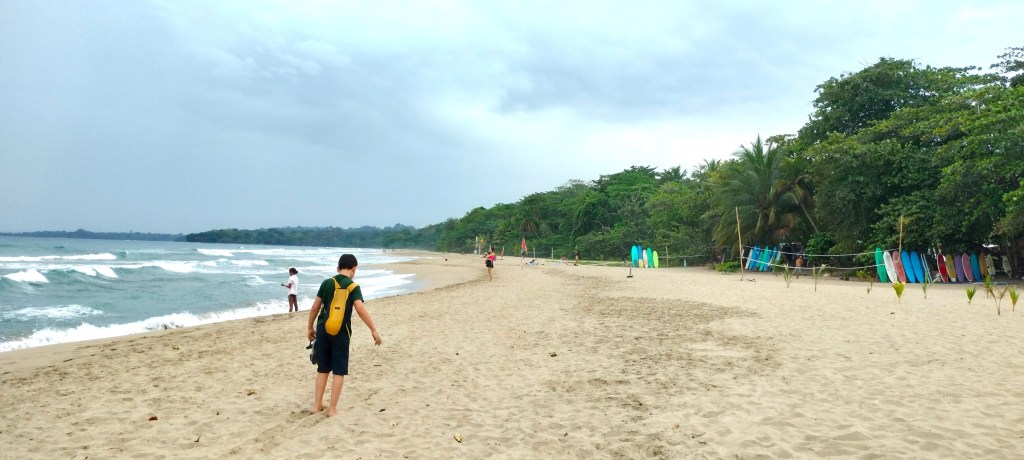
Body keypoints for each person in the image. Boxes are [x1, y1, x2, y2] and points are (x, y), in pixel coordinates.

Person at [306, 254, 382, 417]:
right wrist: (373, 330)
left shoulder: (326, 283)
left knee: (323, 368)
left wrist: (309, 328)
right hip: (341, 332)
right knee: (339, 370)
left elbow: (314, 308)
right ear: (354, 269)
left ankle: (317, 405)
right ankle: (332, 409)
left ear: (338, 268)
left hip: (323, 329)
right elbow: (360, 309)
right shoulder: (353, 287)